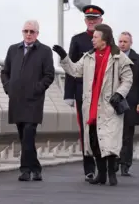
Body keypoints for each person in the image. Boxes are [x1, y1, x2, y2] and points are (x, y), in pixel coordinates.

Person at [53, 24, 133, 186]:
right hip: (91, 105)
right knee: (94, 140)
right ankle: (101, 174)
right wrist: (64, 57)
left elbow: (128, 79)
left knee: (109, 140)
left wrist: (119, 94)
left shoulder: (119, 56)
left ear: (104, 39)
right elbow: (75, 71)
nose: (92, 39)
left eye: (96, 37)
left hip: (110, 104)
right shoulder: (89, 56)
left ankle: (112, 174)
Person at [0, 20, 55, 182]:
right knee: (23, 136)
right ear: (22, 32)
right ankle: (36, 168)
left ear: (37, 33)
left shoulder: (44, 51)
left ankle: (25, 170)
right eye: (26, 31)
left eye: (32, 31)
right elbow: (5, 72)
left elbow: (49, 75)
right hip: (17, 99)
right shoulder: (13, 49)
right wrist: (9, 87)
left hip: (34, 100)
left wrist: (37, 89)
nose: (29, 34)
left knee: (29, 134)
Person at [64, 4, 104, 181]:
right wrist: (69, 94)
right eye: (89, 19)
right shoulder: (77, 40)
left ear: (100, 20)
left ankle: (103, 165)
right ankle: (89, 167)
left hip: (102, 94)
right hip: (82, 93)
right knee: (86, 131)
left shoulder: (107, 41)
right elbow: (71, 68)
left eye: (94, 19)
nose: (91, 22)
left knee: (102, 131)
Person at [117, 31, 139, 176]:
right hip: (115, 101)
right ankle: (114, 162)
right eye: (120, 41)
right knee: (114, 134)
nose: (122, 44)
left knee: (127, 135)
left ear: (130, 43)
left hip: (131, 102)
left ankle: (125, 164)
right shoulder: (113, 57)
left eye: (125, 42)